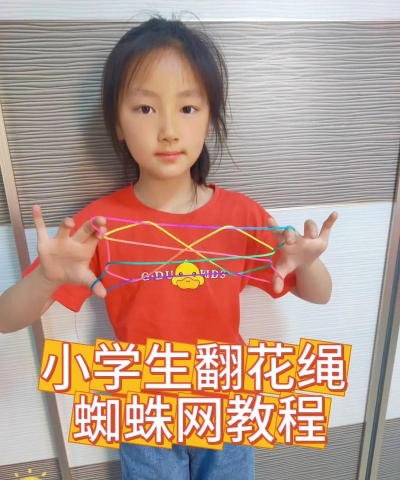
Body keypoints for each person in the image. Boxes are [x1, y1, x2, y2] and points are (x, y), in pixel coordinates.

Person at [0, 13, 338, 480]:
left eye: (187, 108)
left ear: (209, 117)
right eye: (145, 108)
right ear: (117, 123)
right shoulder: (98, 225)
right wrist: (45, 277)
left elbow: (320, 295)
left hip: (228, 403)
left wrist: (308, 263)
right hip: (145, 412)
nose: (168, 130)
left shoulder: (242, 215)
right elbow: (6, 319)